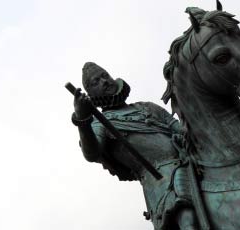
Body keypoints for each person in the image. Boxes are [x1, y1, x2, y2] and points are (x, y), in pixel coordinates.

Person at [72, 62, 198, 230]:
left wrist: (186, 136)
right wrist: (83, 120)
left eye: (105, 76)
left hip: (191, 158)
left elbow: (180, 129)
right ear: (89, 93)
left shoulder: (147, 107)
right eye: (96, 82)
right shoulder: (100, 123)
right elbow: (92, 154)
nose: (104, 81)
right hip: (162, 176)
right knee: (186, 213)